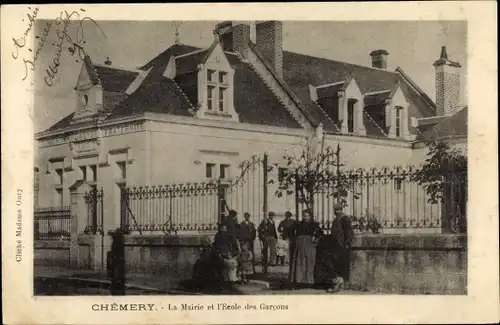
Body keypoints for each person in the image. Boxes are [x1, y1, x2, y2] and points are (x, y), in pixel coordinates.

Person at [315, 203, 354, 293]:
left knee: (339, 266)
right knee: (332, 265)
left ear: (341, 210)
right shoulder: (336, 219)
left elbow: (348, 232)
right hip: (335, 245)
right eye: (335, 210)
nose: (337, 212)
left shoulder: (345, 219)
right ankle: (337, 284)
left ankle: (338, 285)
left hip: (342, 245)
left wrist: (347, 243)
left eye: (338, 210)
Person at [290, 209, 322, 286]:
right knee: (300, 261)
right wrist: (296, 238)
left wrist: (315, 237)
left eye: (307, 216)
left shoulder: (315, 225)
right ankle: (299, 279)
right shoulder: (299, 224)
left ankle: (309, 281)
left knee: (309, 261)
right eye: (304, 216)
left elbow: (320, 234)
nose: (305, 217)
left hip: (310, 245)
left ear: (310, 216)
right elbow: (292, 232)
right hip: (300, 244)